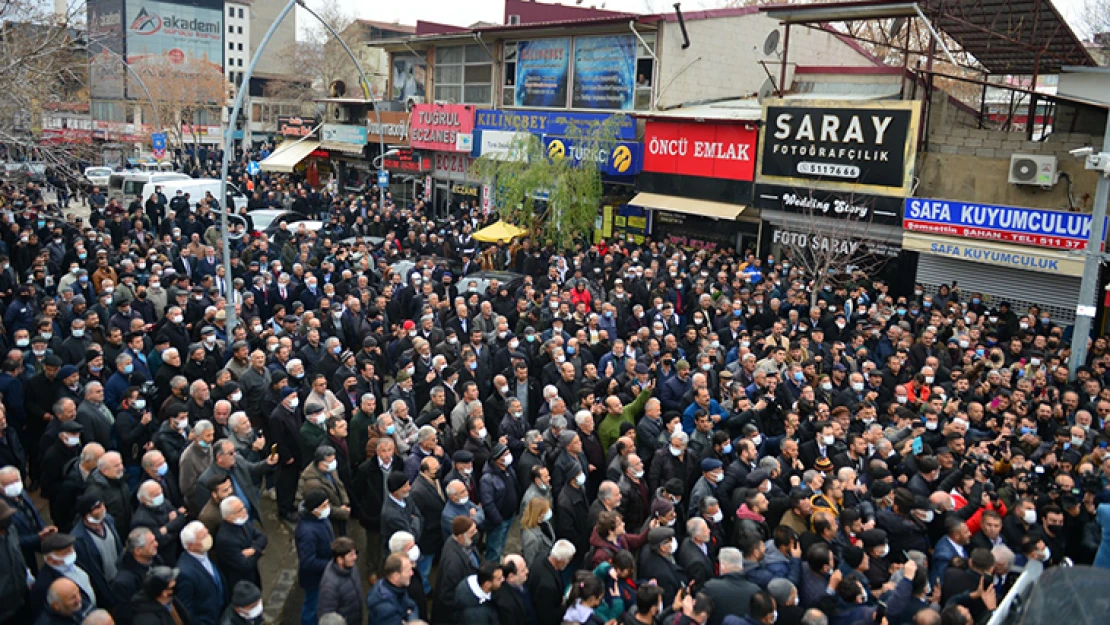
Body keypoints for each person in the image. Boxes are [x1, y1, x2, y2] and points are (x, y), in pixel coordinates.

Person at [294, 489, 335, 625]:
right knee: (311, 607)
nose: (327, 508)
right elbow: (308, 561)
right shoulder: (307, 532)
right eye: (324, 506)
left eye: (327, 504)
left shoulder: (319, 518)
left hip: (322, 575)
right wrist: (331, 564)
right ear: (313, 509)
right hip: (314, 579)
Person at [176, 521, 228, 625]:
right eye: (203, 537)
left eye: (207, 533)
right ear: (191, 546)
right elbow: (186, 610)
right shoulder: (185, 573)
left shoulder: (205, 553)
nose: (208, 537)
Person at [211, 496, 267, 589]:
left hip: (253, 576)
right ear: (229, 517)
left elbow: (262, 537)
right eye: (239, 510)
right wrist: (259, 551)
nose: (244, 511)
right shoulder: (226, 539)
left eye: (243, 507)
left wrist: (253, 550)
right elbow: (245, 565)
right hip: (240, 583)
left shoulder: (242, 521)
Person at [316, 537, 363, 625]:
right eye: (351, 555)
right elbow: (327, 616)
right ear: (340, 560)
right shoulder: (329, 586)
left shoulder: (351, 566)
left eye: (355, 553)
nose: (355, 557)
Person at [529, 539, 576, 625]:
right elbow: (548, 617)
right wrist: (564, 605)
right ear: (561, 560)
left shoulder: (541, 556)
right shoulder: (547, 586)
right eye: (569, 559)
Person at [366, 552, 419, 625]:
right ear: (396, 576)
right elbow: (410, 608)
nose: (412, 573)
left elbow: (413, 606)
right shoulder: (385, 608)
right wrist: (409, 615)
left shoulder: (397, 588)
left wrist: (409, 620)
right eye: (408, 571)